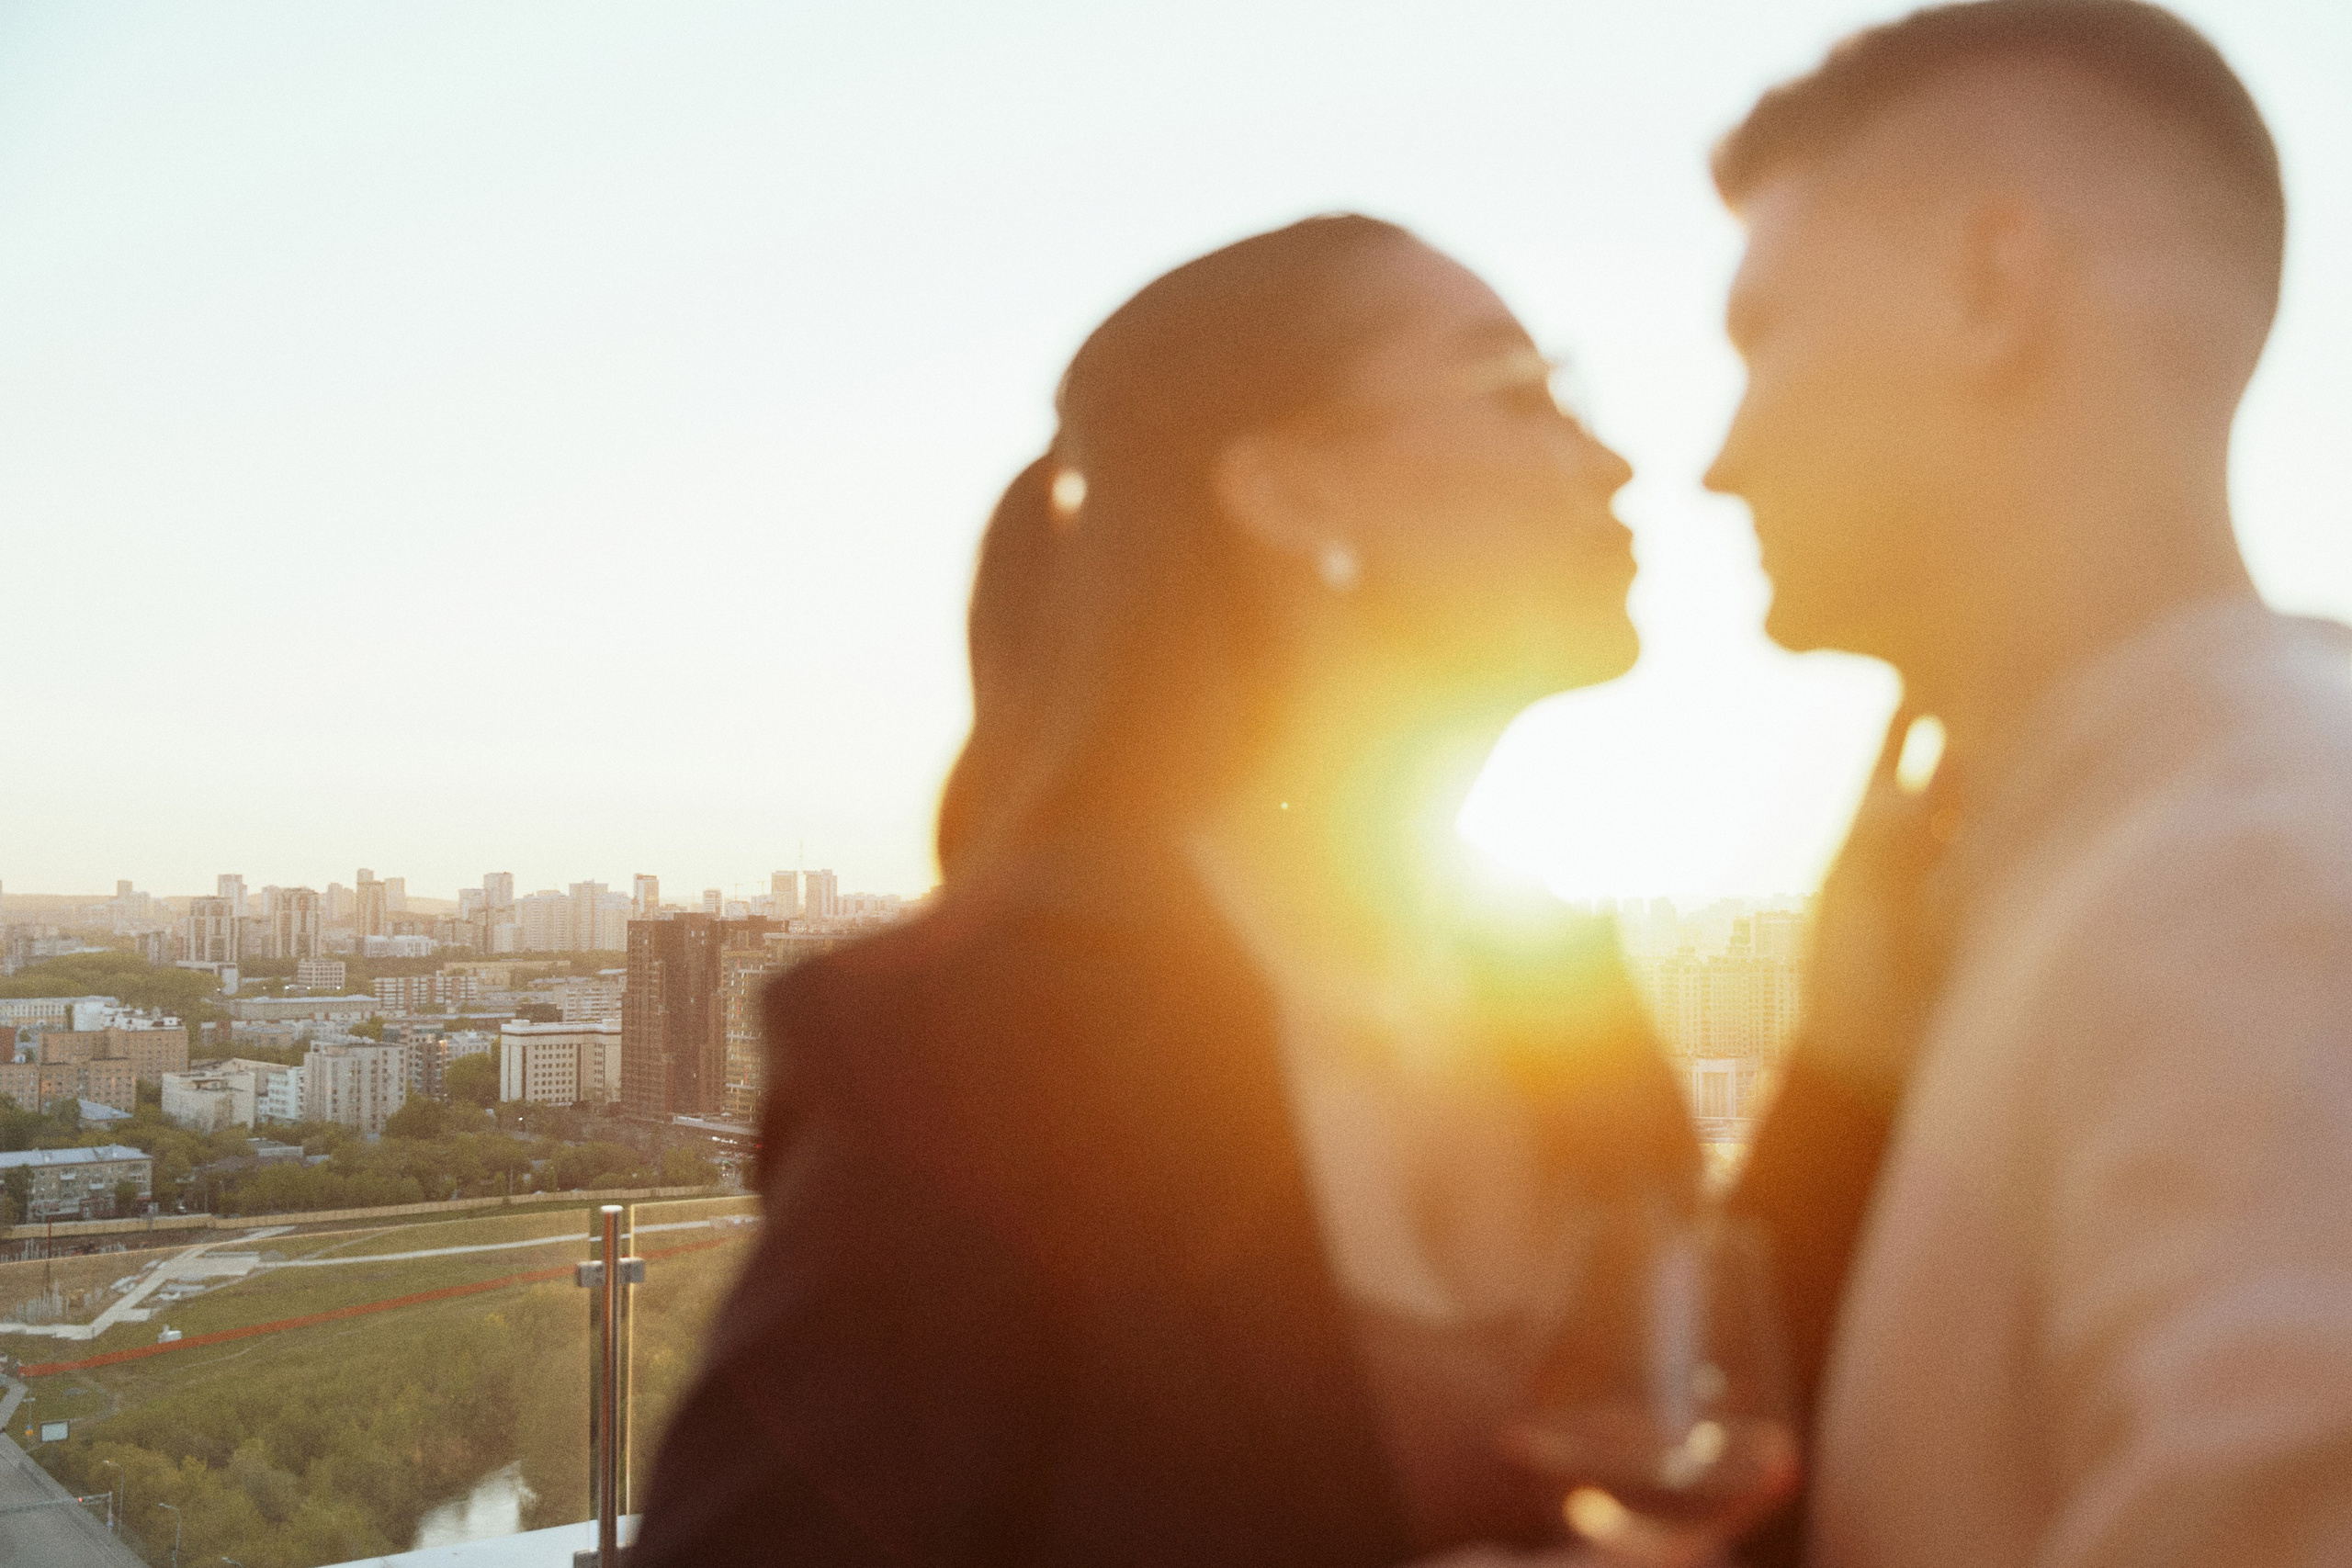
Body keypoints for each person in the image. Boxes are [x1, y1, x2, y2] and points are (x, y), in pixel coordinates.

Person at [631, 214, 1699, 1567]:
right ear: (1289, 493)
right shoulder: (987, 1045)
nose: (1611, 462)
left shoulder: (1564, 997)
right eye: (1521, 394)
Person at [1706, 4, 2352, 1565]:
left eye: (1765, 335)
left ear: (1995, 291)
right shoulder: (2104, 845)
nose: (1721, 457)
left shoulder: (2251, 875)